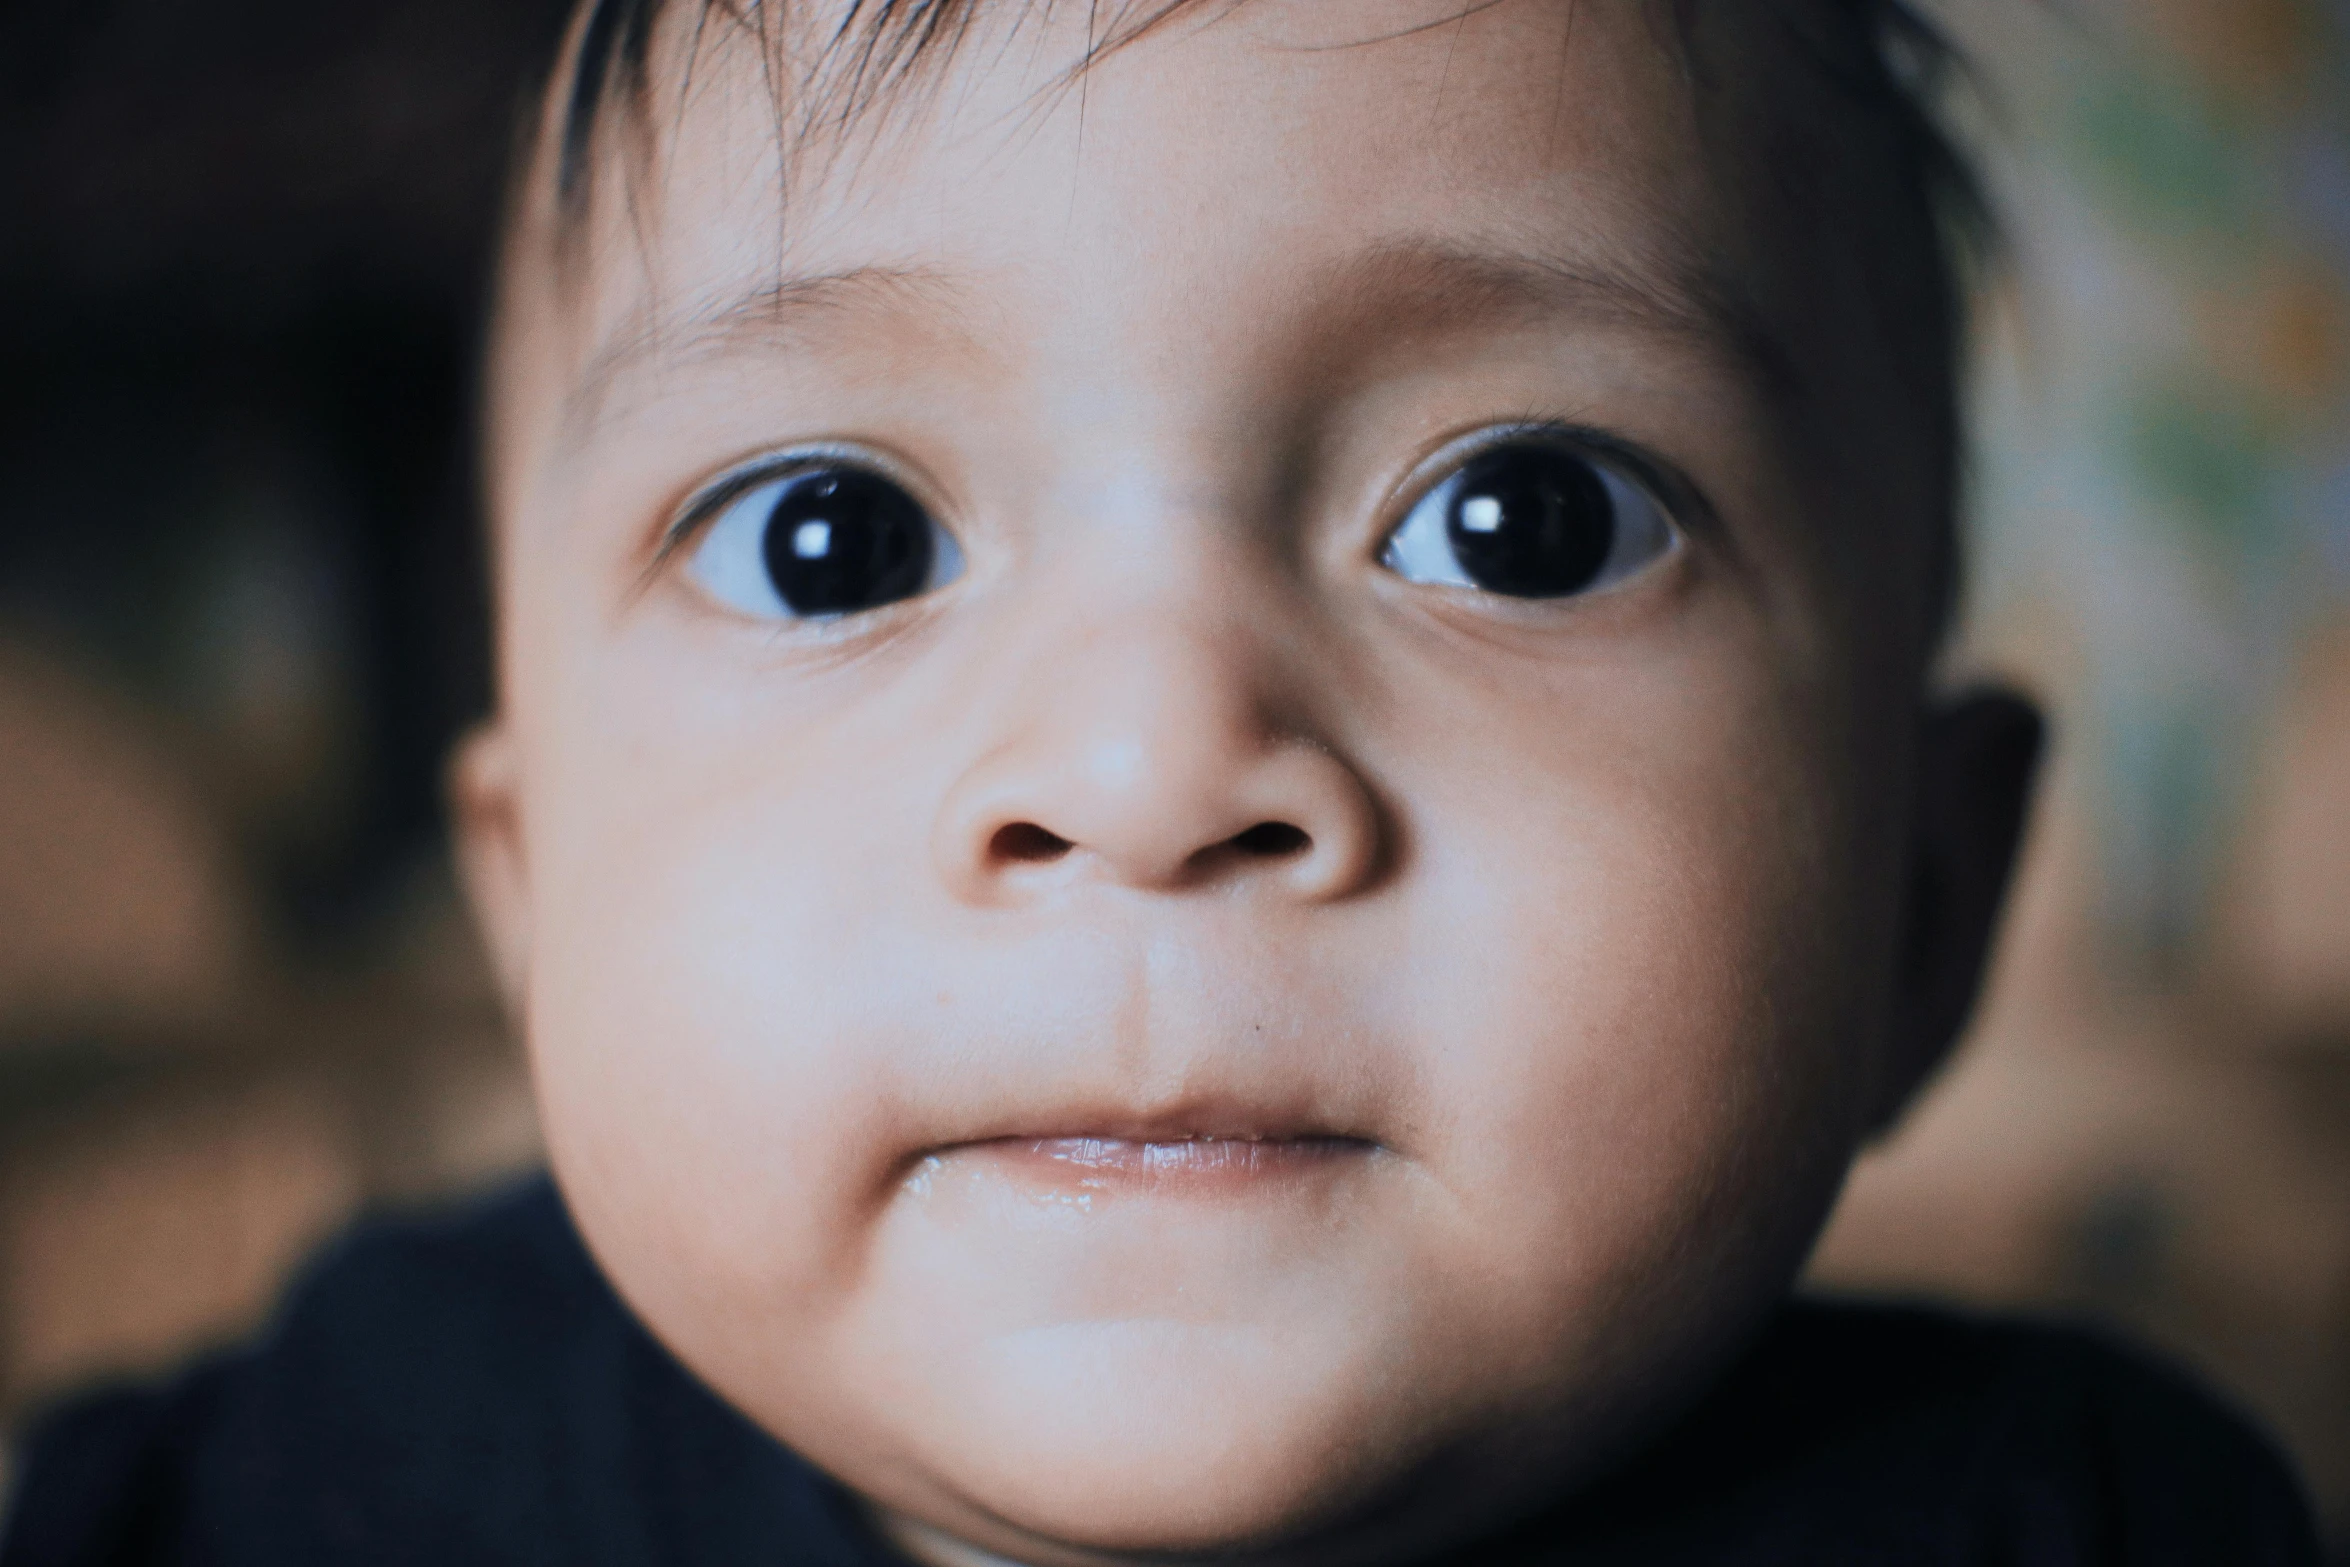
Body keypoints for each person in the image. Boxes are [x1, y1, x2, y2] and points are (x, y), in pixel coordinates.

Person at [0, 1, 2321, 1562]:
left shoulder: (2068, 1521)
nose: (1148, 769)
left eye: (1517, 519)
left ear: (1920, 909)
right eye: (837, 539)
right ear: (530, 906)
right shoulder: (365, 1462)